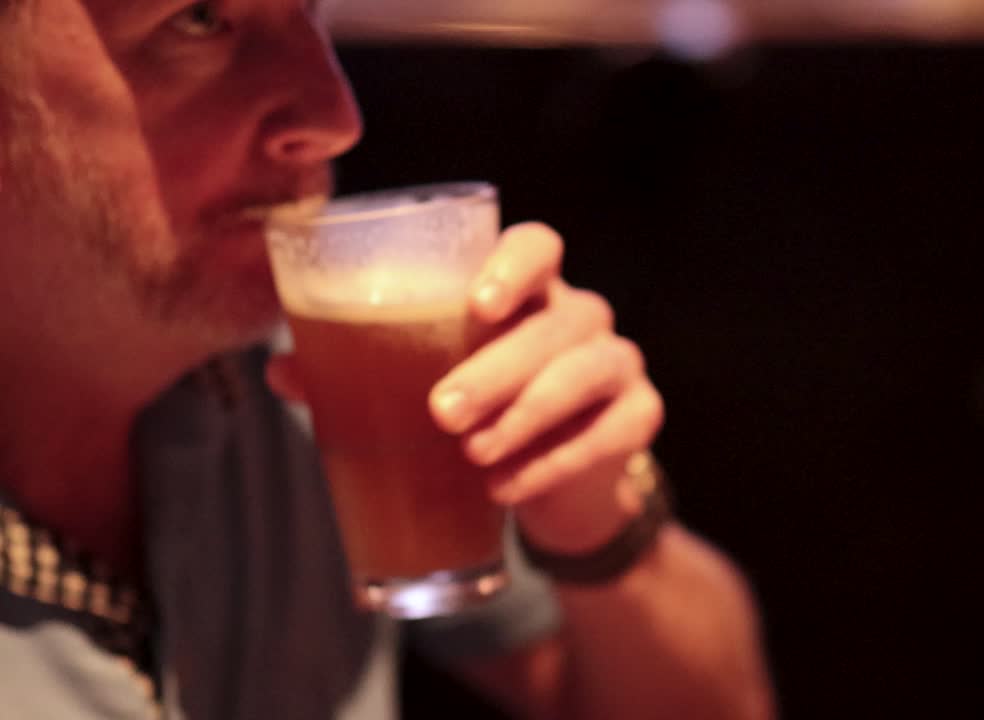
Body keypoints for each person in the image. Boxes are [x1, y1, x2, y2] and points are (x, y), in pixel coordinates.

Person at [0, 1, 775, 718]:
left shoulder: (322, 377)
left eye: (313, 10)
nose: (338, 116)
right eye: (201, 17)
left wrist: (596, 524)